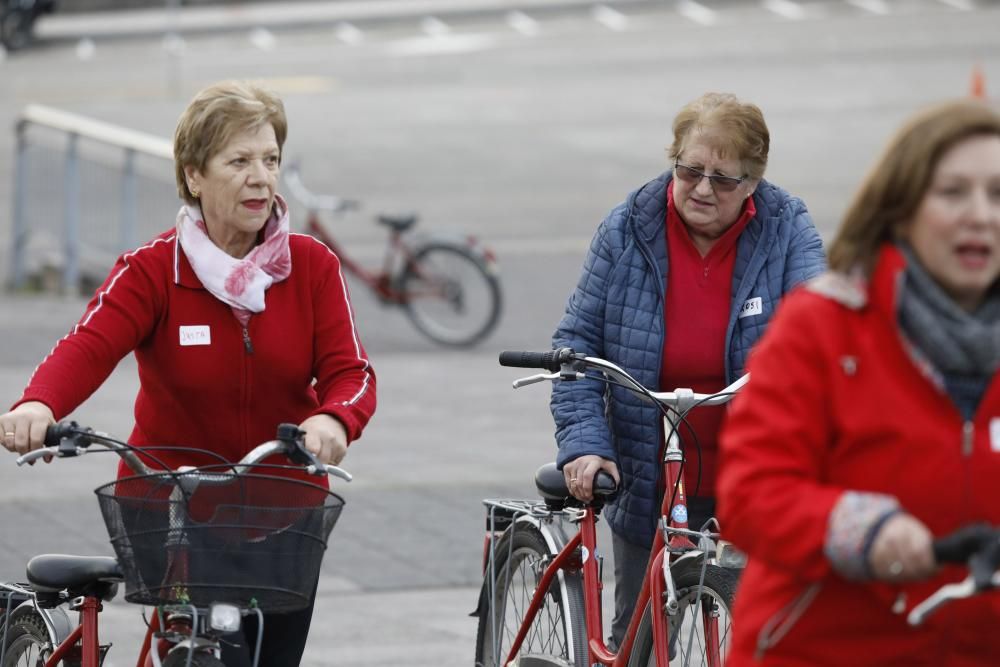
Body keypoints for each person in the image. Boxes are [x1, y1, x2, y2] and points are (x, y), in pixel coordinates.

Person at [0, 80, 377, 666]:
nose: (261, 176)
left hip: (285, 514)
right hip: (172, 512)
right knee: (207, 653)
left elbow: (350, 371)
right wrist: (38, 405)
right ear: (194, 175)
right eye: (240, 161)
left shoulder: (310, 265)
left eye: (271, 159)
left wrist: (334, 418)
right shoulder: (153, 271)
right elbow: (89, 345)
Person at [717, 98, 1000, 665]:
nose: (981, 215)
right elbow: (750, 492)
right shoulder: (822, 326)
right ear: (901, 210)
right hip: (822, 649)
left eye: (997, 194)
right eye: (953, 193)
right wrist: (862, 532)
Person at [551, 91, 825, 646]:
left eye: (723, 179)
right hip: (647, 473)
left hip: (751, 478)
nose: (702, 189)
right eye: (690, 171)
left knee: (766, 633)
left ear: (753, 183)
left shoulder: (786, 227)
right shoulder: (628, 227)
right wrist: (585, 443)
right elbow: (576, 346)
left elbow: (821, 333)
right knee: (639, 635)